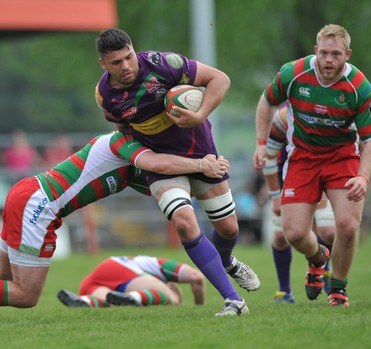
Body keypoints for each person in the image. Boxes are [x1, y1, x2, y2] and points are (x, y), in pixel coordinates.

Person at [95, 28, 260, 316]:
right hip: (164, 166)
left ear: (135, 50)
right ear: (103, 64)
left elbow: (219, 79)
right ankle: (233, 300)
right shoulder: (105, 96)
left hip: (202, 154)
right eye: (116, 62)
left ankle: (227, 263)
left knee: (229, 228)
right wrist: (143, 162)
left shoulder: (163, 64)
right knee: (185, 222)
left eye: (129, 57)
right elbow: (122, 129)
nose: (126, 66)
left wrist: (199, 114)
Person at [0, 131, 228, 309]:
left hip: (29, 195)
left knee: (4, 275)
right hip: (39, 205)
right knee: (27, 295)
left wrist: (208, 176)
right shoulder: (122, 141)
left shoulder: (135, 167)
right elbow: (158, 164)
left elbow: (173, 190)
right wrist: (202, 165)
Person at [253, 24, 371, 307]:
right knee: (295, 233)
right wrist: (261, 143)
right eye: (323, 53)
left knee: (347, 226)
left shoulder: (359, 86)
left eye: (336, 54)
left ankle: (338, 287)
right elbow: (266, 102)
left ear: (347, 54)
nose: (328, 60)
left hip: (342, 156)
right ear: (315, 51)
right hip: (303, 157)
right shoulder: (293, 73)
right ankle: (318, 258)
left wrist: (363, 176)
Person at [263, 102, 336, 303]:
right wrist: (275, 196)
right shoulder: (282, 116)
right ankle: (285, 291)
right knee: (280, 237)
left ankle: (324, 269)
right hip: (284, 177)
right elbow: (267, 158)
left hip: (316, 174)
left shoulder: (323, 111)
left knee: (328, 230)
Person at [57, 255, 205, 308]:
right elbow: (196, 277)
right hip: (118, 267)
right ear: (169, 284)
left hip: (91, 282)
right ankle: (135, 297)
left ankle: (85, 301)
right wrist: (199, 308)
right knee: (172, 299)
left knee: (110, 302)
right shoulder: (160, 266)